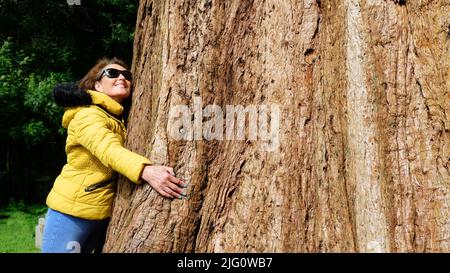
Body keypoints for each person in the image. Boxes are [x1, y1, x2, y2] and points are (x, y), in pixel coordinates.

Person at [42, 57, 187, 253]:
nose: (121, 77)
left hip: (100, 213)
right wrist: (146, 170)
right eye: (112, 73)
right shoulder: (88, 114)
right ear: (97, 85)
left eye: (126, 75)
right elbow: (107, 149)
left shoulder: (117, 119)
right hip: (70, 212)